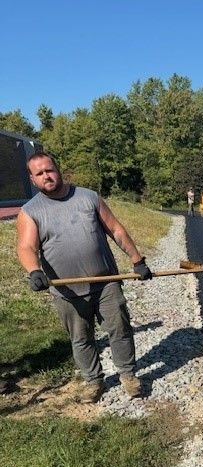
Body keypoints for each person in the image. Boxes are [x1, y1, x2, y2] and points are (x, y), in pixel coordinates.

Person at [16, 152, 153, 404]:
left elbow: (115, 229)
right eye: (40, 173)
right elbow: (26, 247)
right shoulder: (30, 211)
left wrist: (137, 260)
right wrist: (34, 271)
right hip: (66, 289)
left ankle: (128, 375)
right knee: (81, 337)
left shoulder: (88, 197)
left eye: (49, 169)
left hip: (106, 281)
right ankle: (93, 381)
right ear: (32, 179)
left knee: (120, 328)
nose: (46, 176)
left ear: (58, 169)